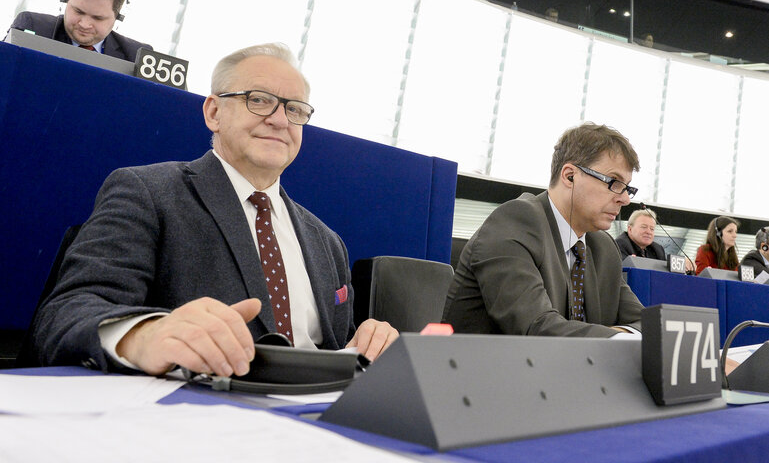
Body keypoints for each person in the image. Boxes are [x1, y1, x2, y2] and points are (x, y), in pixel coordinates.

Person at [30, 43, 398, 377]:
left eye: (295, 109)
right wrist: (144, 336)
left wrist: (368, 346)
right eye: (259, 99)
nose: (280, 120)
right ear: (214, 112)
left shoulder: (327, 241)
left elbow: (337, 350)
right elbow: (66, 314)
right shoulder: (148, 193)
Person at [443, 122, 644, 337]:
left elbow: (647, 324)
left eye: (627, 188)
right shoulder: (515, 222)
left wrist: (616, 336)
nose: (624, 199)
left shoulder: (603, 247)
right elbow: (537, 327)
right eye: (614, 182)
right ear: (570, 176)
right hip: (486, 368)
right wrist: (616, 337)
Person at [7, 0, 151, 62]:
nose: (84, 24)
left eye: (97, 18)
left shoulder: (137, 56)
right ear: (66, 1)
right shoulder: (33, 27)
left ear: (117, 18)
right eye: (78, 11)